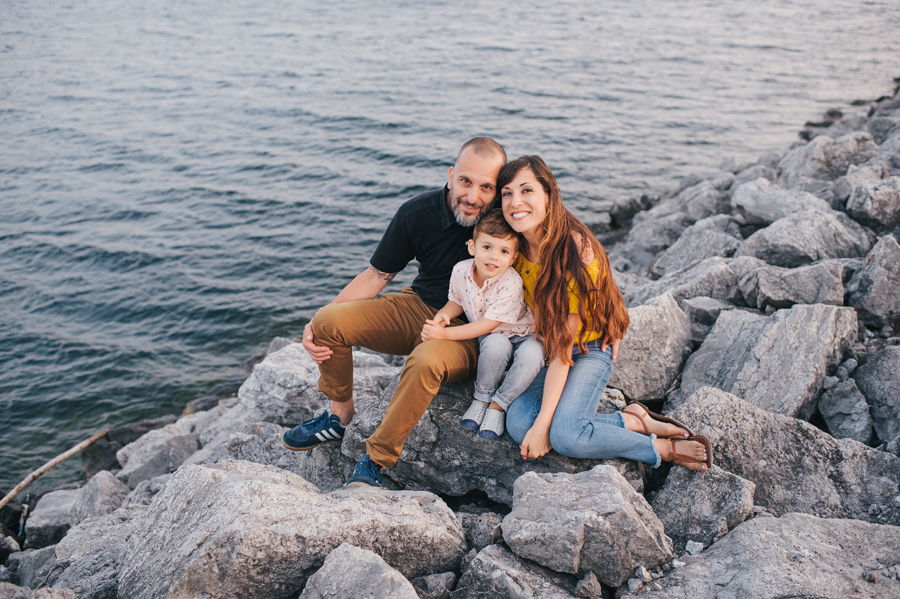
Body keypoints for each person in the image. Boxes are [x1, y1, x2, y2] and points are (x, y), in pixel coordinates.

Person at [282, 137, 507, 487]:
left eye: (486, 187)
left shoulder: (508, 221)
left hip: (478, 332)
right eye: (465, 181)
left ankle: (376, 460)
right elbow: (377, 276)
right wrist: (315, 325)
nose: (473, 196)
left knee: (426, 359)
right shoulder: (417, 213)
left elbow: (565, 245)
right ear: (450, 175)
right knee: (328, 320)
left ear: (499, 190)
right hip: (420, 308)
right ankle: (339, 417)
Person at [498, 155, 712, 472]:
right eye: (507, 193)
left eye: (526, 190)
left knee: (566, 435)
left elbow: (564, 347)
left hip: (588, 348)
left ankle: (662, 448)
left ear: (549, 194)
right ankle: (631, 419)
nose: (516, 202)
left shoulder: (575, 249)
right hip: (545, 350)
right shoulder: (510, 246)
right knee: (518, 424)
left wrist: (544, 424)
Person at [420, 208, 544, 440]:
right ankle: (482, 397)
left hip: (524, 332)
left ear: (513, 258)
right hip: (494, 335)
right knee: (496, 345)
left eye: (504, 251)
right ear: (472, 246)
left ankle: (499, 404)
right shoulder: (460, 271)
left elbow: (488, 323)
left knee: (534, 354)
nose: (494, 257)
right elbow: (456, 300)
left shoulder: (511, 282)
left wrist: (444, 335)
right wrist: (444, 316)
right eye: (487, 247)